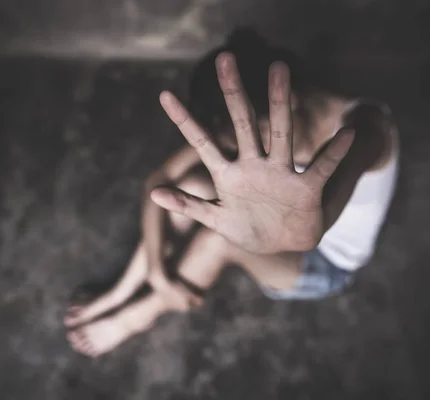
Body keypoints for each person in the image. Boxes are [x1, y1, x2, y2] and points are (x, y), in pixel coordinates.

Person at [63, 30, 400, 357]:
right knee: (191, 188)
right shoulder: (260, 123)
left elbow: (344, 172)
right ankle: (122, 292)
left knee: (219, 240)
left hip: (326, 261)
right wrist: (155, 271)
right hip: (282, 223)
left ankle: (137, 316)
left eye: (247, 140)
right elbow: (161, 179)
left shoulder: (367, 129)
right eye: (233, 146)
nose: (242, 153)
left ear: (288, 104)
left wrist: (316, 220)